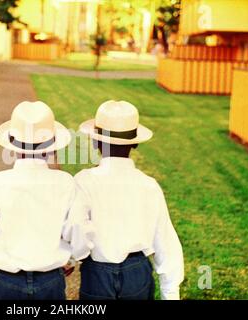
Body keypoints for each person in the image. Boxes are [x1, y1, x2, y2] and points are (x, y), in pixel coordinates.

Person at [0, 101, 93, 300]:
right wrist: (72, 258)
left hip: (7, 281)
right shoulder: (66, 184)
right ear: (52, 146)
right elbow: (78, 227)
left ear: (12, 143)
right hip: (50, 281)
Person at [75, 100, 184, 300]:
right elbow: (165, 240)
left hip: (97, 272)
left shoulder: (84, 181)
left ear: (95, 142)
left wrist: (76, 256)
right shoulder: (149, 185)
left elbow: (77, 228)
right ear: (135, 142)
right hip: (137, 273)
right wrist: (170, 293)